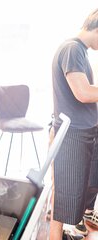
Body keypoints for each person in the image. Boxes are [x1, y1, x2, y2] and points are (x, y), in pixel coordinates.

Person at [50, 8, 98, 240]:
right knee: (64, 197)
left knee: (72, 193)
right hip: (72, 135)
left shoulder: (80, 50)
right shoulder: (72, 49)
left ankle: (67, 232)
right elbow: (83, 93)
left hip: (82, 132)